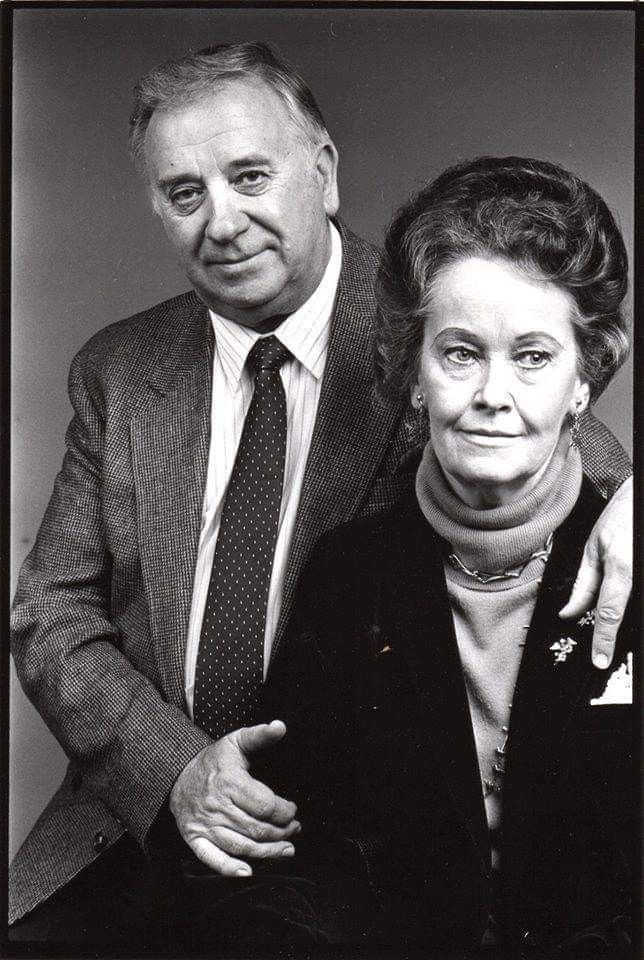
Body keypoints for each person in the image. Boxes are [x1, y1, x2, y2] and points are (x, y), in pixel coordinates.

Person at [9, 40, 632, 945]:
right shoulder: (119, 369)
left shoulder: (435, 322)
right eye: (185, 192)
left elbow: (550, 442)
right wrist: (173, 770)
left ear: (325, 173)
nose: (222, 222)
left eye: (250, 176)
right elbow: (50, 612)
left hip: (340, 836)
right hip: (141, 816)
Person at [265, 156, 636, 952]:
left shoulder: (635, 564)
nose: (492, 394)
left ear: (585, 377)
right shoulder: (346, 575)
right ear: (415, 373)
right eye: (461, 353)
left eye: (533, 357)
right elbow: (293, 863)